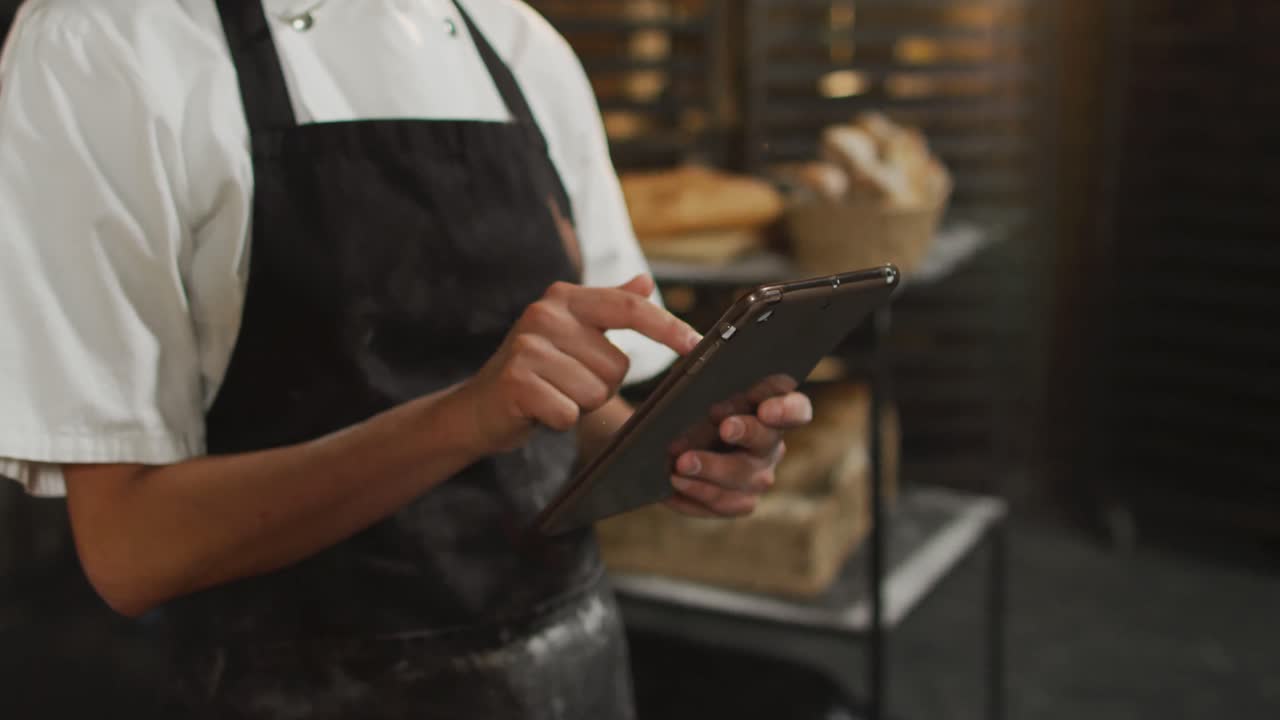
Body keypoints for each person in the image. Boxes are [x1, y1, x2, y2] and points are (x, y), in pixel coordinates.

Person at [0, 0, 814, 717]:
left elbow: (573, 394)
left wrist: (674, 450)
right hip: (289, 687)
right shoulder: (100, 44)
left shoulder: (519, 44)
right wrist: (462, 418)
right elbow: (133, 551)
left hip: (570, 672)